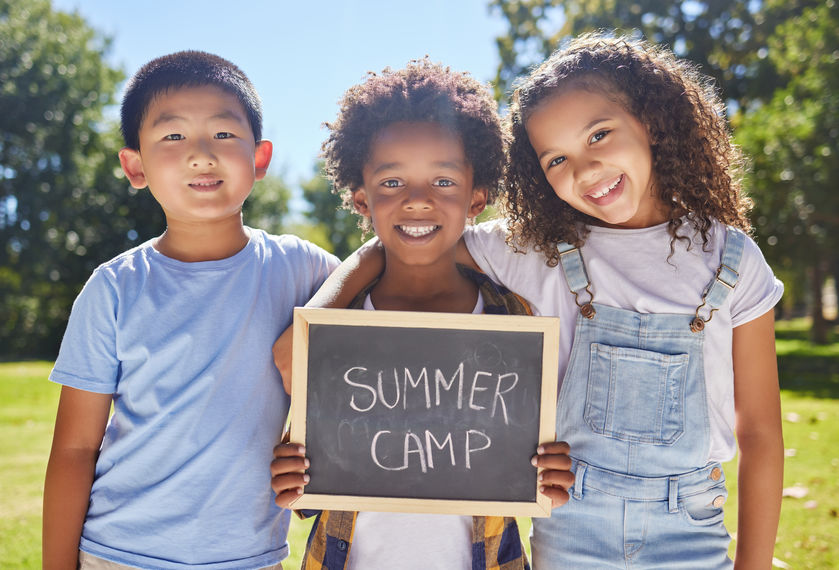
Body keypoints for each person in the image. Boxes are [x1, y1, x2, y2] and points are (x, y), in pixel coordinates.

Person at [284, 34, 785, 568]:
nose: (585, 169)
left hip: (692, 527)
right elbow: (407, 236)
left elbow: (759, 432)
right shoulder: (537, 249)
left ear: (652, 121)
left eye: (599, 134)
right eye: (556, 158)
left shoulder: (733, 259)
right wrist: (316, 323)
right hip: (571, 528)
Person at [269, 59, 574, 570]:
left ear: (477, 197)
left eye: (443, 182)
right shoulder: (336, 331)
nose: (417, 201)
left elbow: (536, 458)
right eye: (391, 184)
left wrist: (549, 476)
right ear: (361, 198)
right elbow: (305, 473)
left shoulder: (517, 318)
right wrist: (290, 475)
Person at [42, 51, 338, 570]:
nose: (202, 155)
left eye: (224, 135)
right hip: (118, 553)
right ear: (135, 165)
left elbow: (386, 279)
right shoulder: (114, 287)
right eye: (173, 137)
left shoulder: (304, 271)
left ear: (260, 158)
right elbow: (74, 449)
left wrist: (328, 309)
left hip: (251, 557)